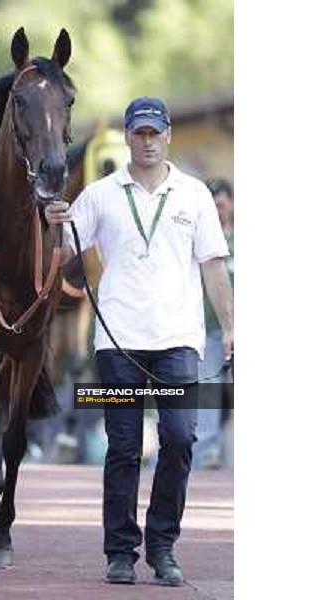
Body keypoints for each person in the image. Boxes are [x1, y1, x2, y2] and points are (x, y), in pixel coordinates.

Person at [44, 97, 234, 586]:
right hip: (118, 340)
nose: (147, 141)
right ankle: (121, 552)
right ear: (128, 136)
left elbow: (214, 266)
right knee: (124, 448)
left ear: (167, 135)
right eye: (139, 133)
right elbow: (60, 256)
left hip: (179, 341)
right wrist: (48, 226)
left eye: (154, 133)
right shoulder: (100, 195)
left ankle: (163, 547)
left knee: (178, 439)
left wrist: (231, 327)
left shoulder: (194, 196)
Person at [194, 178, 234, 468]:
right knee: (206, 407)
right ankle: (201, 463)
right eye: (212, 206)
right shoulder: (196, 242)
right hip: (207, 336)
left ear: (230, 205)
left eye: (220, 205)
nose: (217, 212)